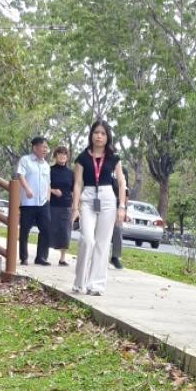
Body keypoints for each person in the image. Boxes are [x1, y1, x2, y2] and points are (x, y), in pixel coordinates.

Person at [71, 119, 125, 296]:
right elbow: (78, 183)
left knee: (102, 243)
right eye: (96, 133)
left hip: (108, 198)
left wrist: (122, 206)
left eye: (103, 133)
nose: (99, 136)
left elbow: (122, 182)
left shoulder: (114, 158)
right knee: (87, 240)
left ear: (107, 136)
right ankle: (79, 283)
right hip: (87, 198)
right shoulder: (82, 157)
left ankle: (96, 285)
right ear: (91, 135)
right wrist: (75, 208)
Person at [14, 136, 52, 268]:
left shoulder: (46, 165)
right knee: (25, 230)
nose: (45, 150)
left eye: (46, 147)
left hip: (43, 203)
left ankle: (41, 257)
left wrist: (48, 198)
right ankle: (24, 257)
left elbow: (48, 183)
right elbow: (20, 175)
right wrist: (27, 189)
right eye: (43, 147)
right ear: (35, 147)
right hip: (28, 202)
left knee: (46, 229)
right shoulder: (25, 160)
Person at [44, 143, 73, 265]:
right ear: (55, 156)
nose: (62, 157)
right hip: (52, 205)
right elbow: (44, 186)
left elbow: (74, 189)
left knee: (65, 231)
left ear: (67, 157)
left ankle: (62, 258)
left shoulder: (70, 173)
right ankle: (44, 256)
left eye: (64, 154)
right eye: (59, 154)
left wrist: (76, 206)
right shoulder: (49, 170)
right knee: (49, 230)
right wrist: (53, 191)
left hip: (66, 205)